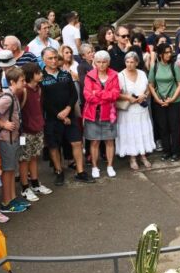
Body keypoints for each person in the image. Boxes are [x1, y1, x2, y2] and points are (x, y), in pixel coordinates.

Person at [41, 47, 94, 185]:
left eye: (55, 58)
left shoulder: (66, 74)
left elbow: (73, 94)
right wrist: (58, 114)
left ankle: (80, 171)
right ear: (43, 60)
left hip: (69, 115)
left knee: (76, 142)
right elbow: (43, 100)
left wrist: (68, 109)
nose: (53, 61)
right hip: (52, 118)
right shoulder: (41, 78)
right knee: (54, 146)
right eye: (50, 58)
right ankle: (59, 171)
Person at [0, 67, 25, 212]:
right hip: (5, 139)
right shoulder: (7, 98)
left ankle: (13, 197)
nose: (24, 83)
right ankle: (6, 201)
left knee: (12, 169)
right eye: (22, 81)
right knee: (7, 170)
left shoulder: (14, 95)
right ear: (13, 82)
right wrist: (3, 124)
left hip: (13, 138)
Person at [18, 63, 53, 202]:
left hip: (38, 128)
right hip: (25, 132)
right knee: (24, 159)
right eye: (38, 72)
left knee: (34, 157)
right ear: (31, 75)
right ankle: (24, 187)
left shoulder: (38, 89)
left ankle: (35, 183)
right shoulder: (23, 91)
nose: (41, 74)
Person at [83, 51, 120, 179]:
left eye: (104, 62)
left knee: (110, 141)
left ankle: (110, 165)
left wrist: (98, 93)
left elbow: (115, 94)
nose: (102, 65)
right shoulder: (89, 76)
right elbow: (88, 96)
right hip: (93, 114)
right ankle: (94, 166)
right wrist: (105, 95)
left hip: (109, 114)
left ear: (108, 62)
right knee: (95, 142)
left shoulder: (114, 75)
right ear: (95, 62)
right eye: (98, 62)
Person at [116, 52, 154, 168]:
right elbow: (116, 94)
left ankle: (142, 155)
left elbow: (148, 89)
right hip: (128, 110)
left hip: (141, 109)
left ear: (137, 62)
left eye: (132, 62)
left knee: (141, 131)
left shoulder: (142, 73)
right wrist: (128, 97)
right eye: (127, 62)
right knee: (130, 132)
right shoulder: (120, 75)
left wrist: (144, 95)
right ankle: (132, 158)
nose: (129, 64)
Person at [149, 43, 180, 162]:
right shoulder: (155, 67)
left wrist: (173, 98)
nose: (169, 54)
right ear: (160, 54)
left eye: (170, 52)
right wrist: (157, 99)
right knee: (163, 128)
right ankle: (166, 151)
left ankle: (176, 152)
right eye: (166, 52)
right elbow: (151, 85)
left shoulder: (175, 65)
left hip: (174, 101)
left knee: (174, 127)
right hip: (159, 102)